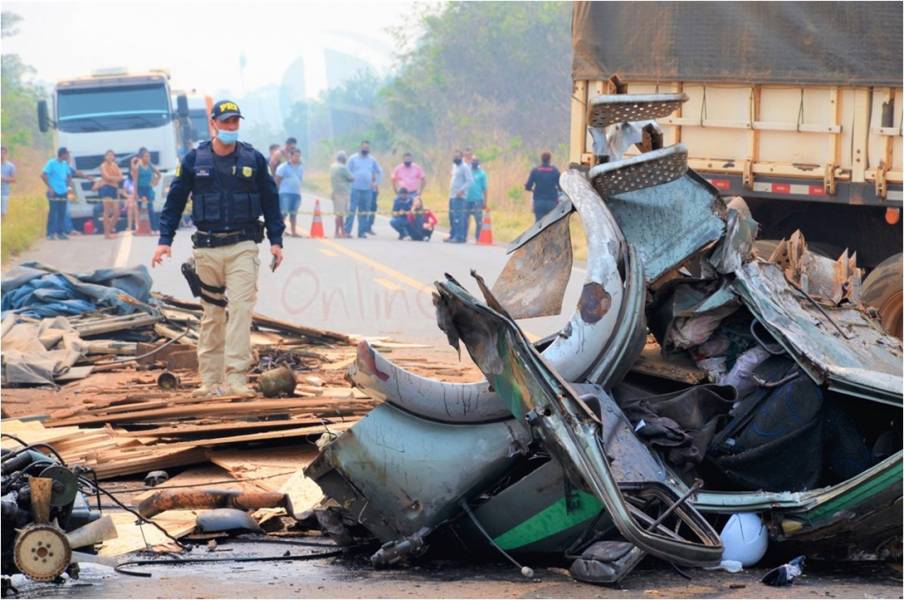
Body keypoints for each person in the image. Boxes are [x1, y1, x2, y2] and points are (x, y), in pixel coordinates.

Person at [151, 100, 285, 399]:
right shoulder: (193, 160)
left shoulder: (254, 159)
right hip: (207, 249)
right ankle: (210, 381)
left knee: (240, 311)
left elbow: (270, 201)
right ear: (213, 124)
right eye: (225, 122)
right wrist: (164, 241)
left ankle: (236, 378)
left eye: (235, 122)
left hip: (243, 246)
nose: (230, 127)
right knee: (213, 315)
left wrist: (276, 241)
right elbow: (174, 202)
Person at [40, 147, 88, 240]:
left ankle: (60, 233)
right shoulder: (52, 163)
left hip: (63, 191)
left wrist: (68, 185)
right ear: (62, 154)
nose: (68, 156)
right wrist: (50, 187)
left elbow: (69, 175)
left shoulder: (65, 164)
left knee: (62, 213)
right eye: (67, 154)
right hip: (54, 191)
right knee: (53, 213)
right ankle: (50, 233)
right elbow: (43, 175)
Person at [345, 140, 382, 239]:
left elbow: (379, 171)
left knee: (364, 211)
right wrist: (349, 181)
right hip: (354, 188)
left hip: (367, 190)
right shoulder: (353, 158)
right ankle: (347, 231)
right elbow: (346, 171)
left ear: (369, 149)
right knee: (351, 210)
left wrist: (375, 183)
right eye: (364, 147)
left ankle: (361, 233)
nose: (365, 149)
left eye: (367, 148)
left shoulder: (372, 160)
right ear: (360, 148)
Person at [444, 150, 473, 243]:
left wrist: (461, 190)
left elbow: (470, 181)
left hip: (460, 196)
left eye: (458, 156)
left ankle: (459, 236)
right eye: (454, 156)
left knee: (458, 217)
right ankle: (452, 235)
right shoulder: (455, 166)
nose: (456, 158)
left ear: (461, 157)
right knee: (452, 216)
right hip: (452, 195)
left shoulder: (465, 167)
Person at [525, 151, 561, 222]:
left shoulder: (535, 171)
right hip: (552, 202)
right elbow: (560, 187)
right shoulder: (555, 171)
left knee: (539, 226)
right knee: (551, 224)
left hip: (539, 203)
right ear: (549, 160)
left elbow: (528, 186)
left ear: (541, 159)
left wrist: (532, 190)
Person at [275, 147, 304, 237]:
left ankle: (293, 232)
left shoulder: (301, 167)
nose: (297, 158)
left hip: (296, 193)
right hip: (285, 193)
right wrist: (277, 190)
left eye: (299, 156)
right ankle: (279, 231)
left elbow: (299, 179)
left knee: (293, 214)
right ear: (290, 156)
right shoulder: (283, 166)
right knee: (284, 213)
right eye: (295, 156)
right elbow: (277, 179)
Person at [131, 148, 161, 231]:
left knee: (150, 208)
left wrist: (154, 182)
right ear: (141, 157)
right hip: (140, 189)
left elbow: (159, 174)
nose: (147, 158)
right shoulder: (138, 166)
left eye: (148, 156)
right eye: (145, 156)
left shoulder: (150, 165)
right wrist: (135, 193)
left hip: (148, 188)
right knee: (140, 209)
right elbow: (135, 180)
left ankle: (154, 228)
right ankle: (140, 228)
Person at [98, 150, 123, 238]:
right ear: (105, 157)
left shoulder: (115, 165)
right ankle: (107, 234)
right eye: (108, 155)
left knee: (117, 212)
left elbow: (121, 177)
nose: (110, 157)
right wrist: (115, 178)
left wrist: (112, 179)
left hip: (114, 189)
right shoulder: (102, 166)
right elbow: (106, 177)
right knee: (107, 211)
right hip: (106, 189)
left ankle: (109, 230)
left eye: (112, 155)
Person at [330, 151, 354, 238]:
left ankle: (338, 232)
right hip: (343, 192)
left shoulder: (332, 166)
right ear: (343, 159)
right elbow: (351, 178)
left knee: (338, 213)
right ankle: (341, 232)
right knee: (341, 214)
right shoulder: (343, 168)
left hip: (335, 191)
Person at [465, 156, 488, 242]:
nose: (474, 162)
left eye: (476, 160)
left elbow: (485, 189)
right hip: (467, 199)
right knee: (465, 218)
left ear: (479, 162)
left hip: (478, 199)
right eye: (473, 160)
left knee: (478, 220)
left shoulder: (482, 174)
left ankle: (478, 238)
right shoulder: (468, 171)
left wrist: (485, 202)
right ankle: (464, 236)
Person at [1, 146, 16, 217]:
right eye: (0, 152)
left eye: (3, 153)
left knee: (3, 212)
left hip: (4, 192)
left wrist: (3, 178)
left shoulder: (11, 166)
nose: (1, 154)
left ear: (6, 154)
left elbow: (13, 179)